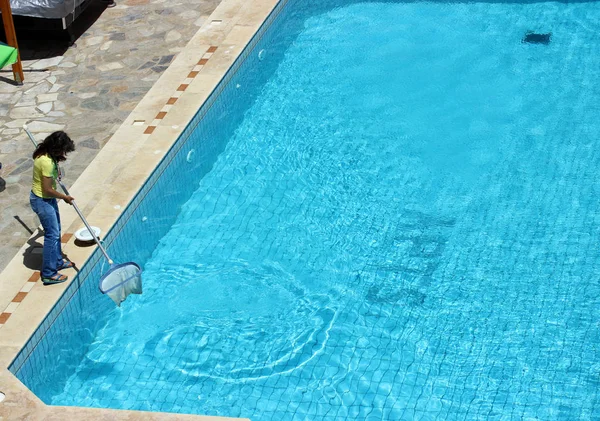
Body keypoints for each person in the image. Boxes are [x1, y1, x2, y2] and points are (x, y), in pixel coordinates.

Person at [30, 131, 76, 285]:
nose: (64, 153)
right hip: (42, 200)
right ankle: (49, 273)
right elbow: (48, 189)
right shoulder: (47, 162)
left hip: (47, 200)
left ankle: (57, 261)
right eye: (63, 150)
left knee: (56, 231)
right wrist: (65, 198)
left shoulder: (44, 153)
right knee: (52, 234)